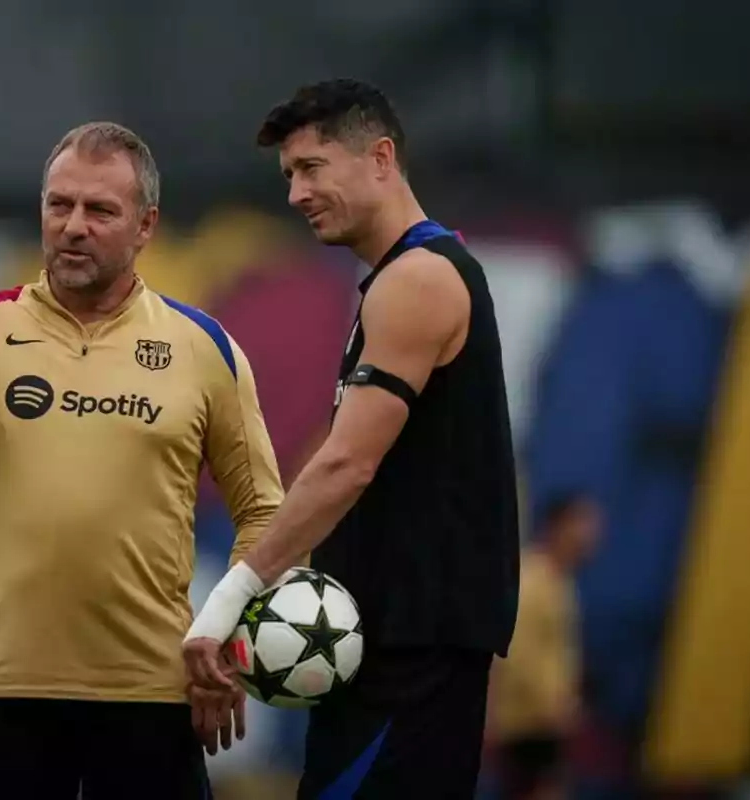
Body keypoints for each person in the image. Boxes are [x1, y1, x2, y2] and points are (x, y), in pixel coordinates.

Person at [0, 121, 284, 800]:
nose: (73, 227)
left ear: (145, 226)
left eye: (99, 210)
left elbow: (265, 511)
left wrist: (226, 636)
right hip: (6, 696)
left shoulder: (202, 346)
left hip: (153, 697)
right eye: (59, 206)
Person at [183, 78, 522, 798]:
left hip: (411, 659)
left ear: (380, 158)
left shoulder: (420, 279)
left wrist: (228, 601)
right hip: (389, 652)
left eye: (311, 168)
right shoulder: (397, 281)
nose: (295, 195)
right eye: (287, 177)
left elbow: (346, 465)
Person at [488, 493, 601, 800]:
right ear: (557, 526)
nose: (593, 532)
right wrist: (553, 703)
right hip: (526, 723)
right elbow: (517, 650)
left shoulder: (561, 581)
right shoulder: (532, 579)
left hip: (545, 722)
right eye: (583, 522)